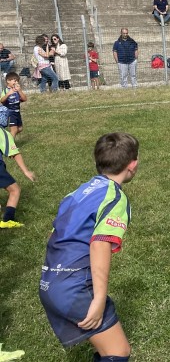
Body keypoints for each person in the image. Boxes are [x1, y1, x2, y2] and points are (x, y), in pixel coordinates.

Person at [39, 132, 138, 360]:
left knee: (105, 346)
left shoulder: (77, 193)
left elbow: (54, 234)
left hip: (50, 281)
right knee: (118, 351)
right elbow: (100, 244)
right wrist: (99, 298)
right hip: (74, 286)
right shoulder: (115, 198)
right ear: (132, 165)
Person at [0, 124, 36, 228]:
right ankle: (8, 220)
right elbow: (14, 153)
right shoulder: (2, 133)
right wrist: (26, 171)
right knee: (15, 190)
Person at [1, 72, 26, 138]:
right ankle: (11, 143)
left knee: (20, 128)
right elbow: (2, 100)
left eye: (17, 81)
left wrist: (19, 91)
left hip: (17, 112)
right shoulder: (6, 90)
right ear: (8, 81)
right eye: (14, 81)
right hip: (10, 113)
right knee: (14, 130)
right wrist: (8, 94)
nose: (16, 82)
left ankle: (6, 137)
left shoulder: (17, 90)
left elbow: (24, 99)